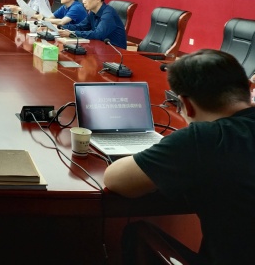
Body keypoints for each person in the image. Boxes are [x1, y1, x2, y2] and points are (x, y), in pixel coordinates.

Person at [103, 49, 255, 264]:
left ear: (186, 105)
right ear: (249, 88)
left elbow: (116, 179)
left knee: (136, 233)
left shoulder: (203, 139)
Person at [58, 0, 127, 48]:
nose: (83, 1)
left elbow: (98, 34)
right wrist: (62, 27)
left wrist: (72, 33)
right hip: (99, 47)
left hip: (114, 51)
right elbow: (81, 26)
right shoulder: (92, 12)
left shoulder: (108, 13)